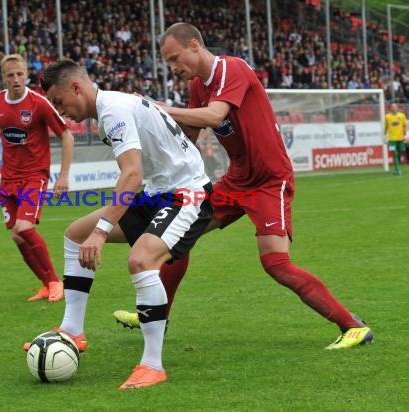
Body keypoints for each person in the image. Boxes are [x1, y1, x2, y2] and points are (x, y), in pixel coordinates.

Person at [113, 22, 373, 350]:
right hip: (236, 180)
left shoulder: (231, 68)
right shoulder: (197, 88)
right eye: (168, 63)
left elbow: (212, 116)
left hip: (270, 180)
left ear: (195, 44)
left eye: (175, 58)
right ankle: (156, 315)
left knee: (275, 263)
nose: (173, 68)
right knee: (177, 236)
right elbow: (187, 142)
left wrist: (157, 107)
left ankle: (352, 326)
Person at [24, 59, 213, 390]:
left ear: (76, 88)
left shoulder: (111, 111)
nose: (60, 111)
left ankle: (153, 365)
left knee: (140, 260)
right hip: (159, 193)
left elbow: (131, 174)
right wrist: (94, 230)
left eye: (59, 102)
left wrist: (101, 232)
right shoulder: (109, 108)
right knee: (75, 234)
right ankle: (72, 330)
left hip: (188, 193)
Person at [0, 54, 74, 303]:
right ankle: (45, 284)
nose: (16, 79)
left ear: (27, 75)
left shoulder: (39, 103)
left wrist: (63, 175)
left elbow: (66, 135)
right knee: (16, 235)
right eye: (10, 75)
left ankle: (55, 281)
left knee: (24, 227)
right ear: (3, 78)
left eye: (20, 74)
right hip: (8, 177)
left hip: (34, 175)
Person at [384, 103, 407, 176]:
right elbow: (386, 127)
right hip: (392, 139)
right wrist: (384, 136)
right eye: (392, 107)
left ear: (397, 108)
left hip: (400, 138)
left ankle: (396, 169)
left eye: (395, 107)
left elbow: (405, 125)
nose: (393, 108)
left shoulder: (402, 116)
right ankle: (398, 169)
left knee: (400, 153)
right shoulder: (387, 117)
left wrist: (405, 134)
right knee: (395, 153)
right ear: (390, 108)